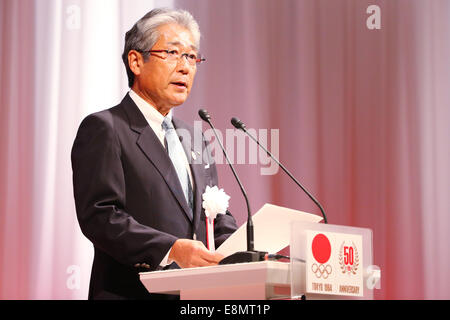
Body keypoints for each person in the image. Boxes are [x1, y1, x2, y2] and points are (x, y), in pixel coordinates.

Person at [71, 8, 237, 300]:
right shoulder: (106, 128)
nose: (185, 67)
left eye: (191, 56)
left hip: (197, 299)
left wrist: (248, 251)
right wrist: (171, 249)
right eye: (173, 53)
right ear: (136, 61)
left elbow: (215, 218)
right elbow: (100, 216)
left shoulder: (196, 138)